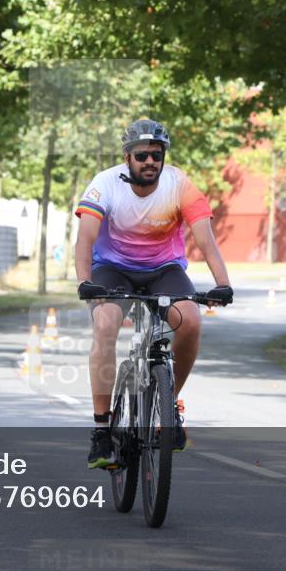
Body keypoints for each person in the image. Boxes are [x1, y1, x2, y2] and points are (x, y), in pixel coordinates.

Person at [74, 119, 234, 469]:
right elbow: (85, 238)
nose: (150, 162)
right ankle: (102, 430)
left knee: (190, 321)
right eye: (142, 155)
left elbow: (205, 238)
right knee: (105, 324)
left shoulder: (179, 185)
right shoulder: (105, 184)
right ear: (128, 157)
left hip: (164, 270)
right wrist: (84, 280)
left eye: (157, 155)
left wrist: (222, 283)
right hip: (113, 269)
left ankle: (168, 409)